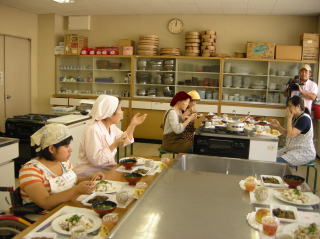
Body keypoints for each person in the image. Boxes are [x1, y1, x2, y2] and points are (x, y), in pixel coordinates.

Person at [19, 123, 105, 210]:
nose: (70, 149)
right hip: (44, 215)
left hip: (67, 206)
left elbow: (73, 181)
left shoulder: (64, 163)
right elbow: (45, 203)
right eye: (66, 146)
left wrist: (89, 178)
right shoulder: (31, 171)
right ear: (52, 149)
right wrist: (77, 190)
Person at [75, 95, 147, 177]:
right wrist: (115, 144)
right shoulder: (93, 130)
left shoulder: (111, 126)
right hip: (90, 174)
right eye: (120, 109)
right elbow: (96, 161)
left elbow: (125, 140)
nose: (122, 112)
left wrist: (133, 124)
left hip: (106, 170)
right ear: (110, 113)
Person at [270, 95, 316, 166]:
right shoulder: (296, 117)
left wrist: (289, 118)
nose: (288, 108)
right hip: (293, 149)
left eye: (290, 106)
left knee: (274, 162)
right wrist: (278, 126)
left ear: (298, 106)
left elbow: (290, 135)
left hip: (304, 152)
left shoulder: (304, 119)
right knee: (269, 156)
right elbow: (289, 133)